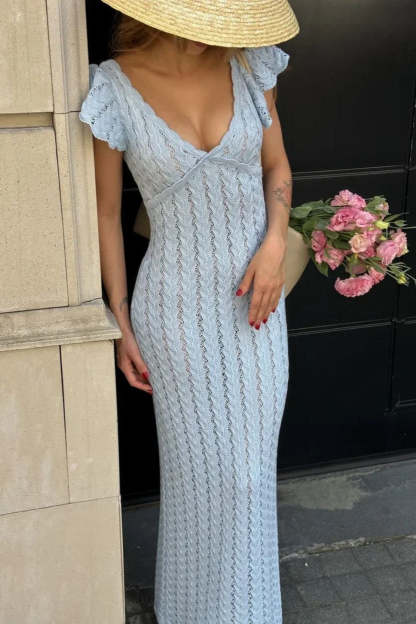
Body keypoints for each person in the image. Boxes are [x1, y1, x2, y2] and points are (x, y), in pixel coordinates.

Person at [79, 1, 300, 622]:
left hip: (257, 306)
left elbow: (277, 165)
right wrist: (120, 321)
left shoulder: (251, 66)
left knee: (249, 478)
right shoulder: (113, 88)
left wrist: (275, 244)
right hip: (174, 315)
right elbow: (105, 215)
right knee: (200, 479)